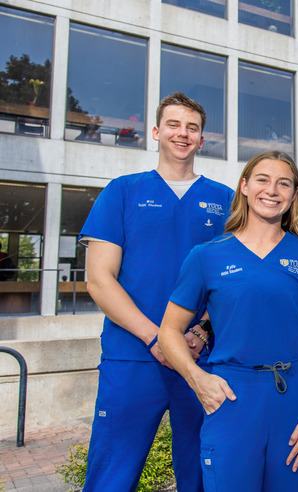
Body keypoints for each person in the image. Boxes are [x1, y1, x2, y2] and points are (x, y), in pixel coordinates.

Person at [79, 92, 235, 492]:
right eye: (174, 124)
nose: (182, 134)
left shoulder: (226, 200)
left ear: (202, 140)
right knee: (111, 476)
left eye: (192, 128)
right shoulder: (122, 191)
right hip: (132, 355)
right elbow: (98, 279)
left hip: (203, 358)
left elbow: (238, 280)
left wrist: (200, 332)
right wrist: (154, 336)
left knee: (202, 476)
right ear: (156, 132)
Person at [159, 151, 298, 491]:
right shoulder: (207, 256)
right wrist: (197, 378)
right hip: (231, 396)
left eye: (284, 183)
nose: (272, 190)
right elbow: (169, 330)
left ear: (295, 195)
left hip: (297, 396)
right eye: (262, 180)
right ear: (244, 186)